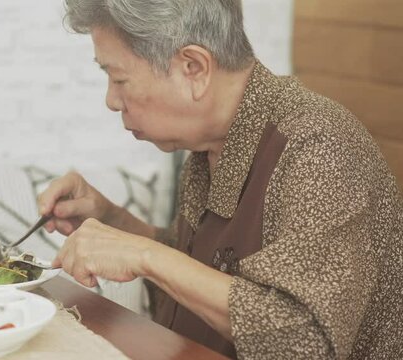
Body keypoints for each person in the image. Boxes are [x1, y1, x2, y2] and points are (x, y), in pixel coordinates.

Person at [37, 0, 403, 358]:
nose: (111, 101)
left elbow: (304, 338)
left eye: (118, 78)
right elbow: (203, 273)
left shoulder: (319, 145)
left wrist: (144, 254)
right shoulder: (208, 145)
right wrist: (115, 222)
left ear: (193, 68)